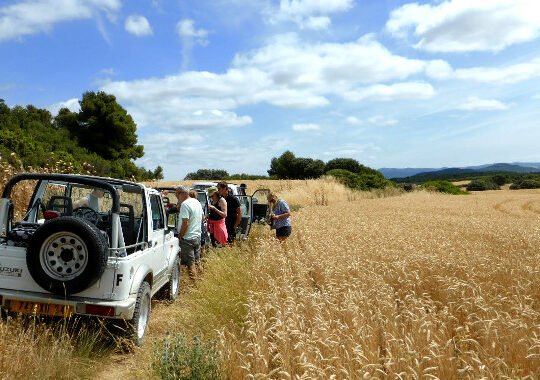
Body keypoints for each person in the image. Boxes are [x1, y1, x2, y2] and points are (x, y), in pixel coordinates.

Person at [175, 185, 203, 282]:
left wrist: (180, 236)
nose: (176, 196)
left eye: (177, 194)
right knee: (197, 261)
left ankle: (194, 286)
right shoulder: (197, 202)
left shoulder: (185, 205)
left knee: (190, 264)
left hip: (187, 238)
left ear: (182, 193)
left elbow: (185, 223)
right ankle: (201, 282)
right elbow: (202, 218)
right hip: (197, 236)